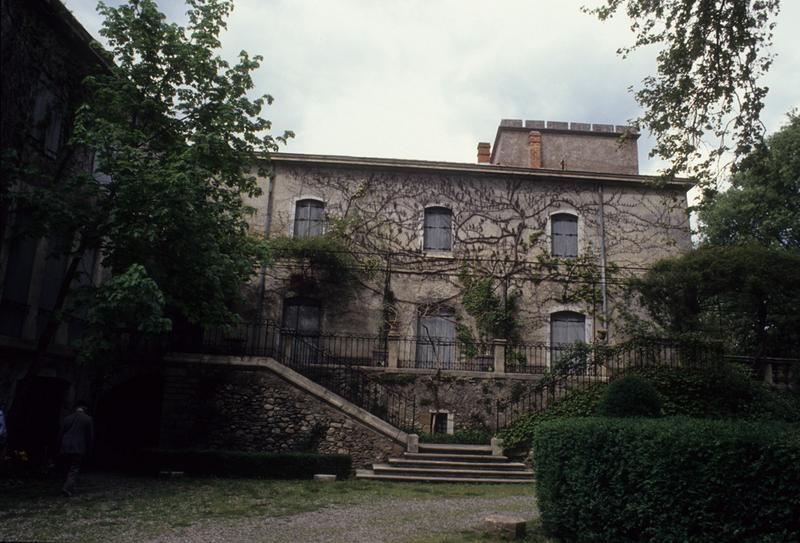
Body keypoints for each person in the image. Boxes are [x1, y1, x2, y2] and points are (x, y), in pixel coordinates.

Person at [59, 403, 93, 497]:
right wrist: (89, 449)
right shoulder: (87, 419)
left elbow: (61, 433)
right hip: (78, 447)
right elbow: (89, 436)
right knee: (74, 468)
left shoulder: (67, 418)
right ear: (84, 409)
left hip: (65, 446)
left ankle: (69, 487)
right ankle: (67, 487)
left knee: (66, 467)